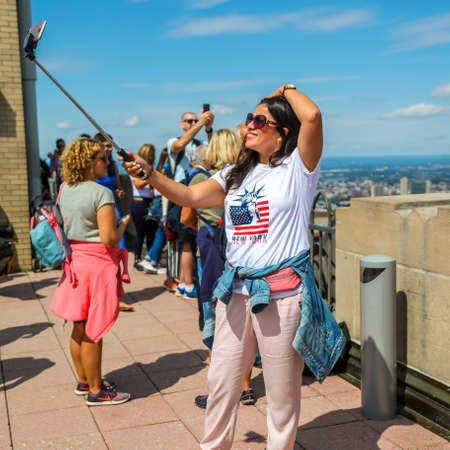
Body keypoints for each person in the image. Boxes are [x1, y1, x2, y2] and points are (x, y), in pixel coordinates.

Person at [122, 85, 346, 449]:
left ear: (282, 133)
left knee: (281, 395)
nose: (251, 125)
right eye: (249, 118)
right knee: (221, 383)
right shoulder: (234, 174)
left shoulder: (297, 169)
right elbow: (190, 196)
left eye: (262, 120)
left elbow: (313, 116)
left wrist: (285, 89)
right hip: (235, 294)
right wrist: (150, 174)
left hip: (282, 296)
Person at [50, 137, 131, 406]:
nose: (106, 162)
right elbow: (109, 238)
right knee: (94, 330)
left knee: (79, 324)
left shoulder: (65, 188)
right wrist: (123, 224)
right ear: (88, 162)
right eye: (101, 158)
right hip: (97, 265)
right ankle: (97, 391)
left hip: (75, 263)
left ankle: (84, 381)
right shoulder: (100, 193)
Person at [190, 129, 257, 409]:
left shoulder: (206, 181)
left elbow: (185, 212)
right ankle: (246, 386)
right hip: (240, 265)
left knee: (216, 327)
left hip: (213, 260)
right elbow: (245, 224)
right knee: (241, 327)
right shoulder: (246, 179)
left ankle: (219, 390)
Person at [167, 109, 214, 300]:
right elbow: (179, 145)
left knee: (191, 240)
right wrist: (200, 125)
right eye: (189, 121)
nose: (192, 123)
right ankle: (187, 284)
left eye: (194, 120)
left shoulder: (200, 143)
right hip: (180, 192)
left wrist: (209, 128)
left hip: (196, 192)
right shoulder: (172, 141)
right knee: (187, 241)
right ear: (181, 123)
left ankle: (185, 282)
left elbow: (212, 148)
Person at [130, 144, 158, 269]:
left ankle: (150, 259)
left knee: (151, 233)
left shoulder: (152, 168)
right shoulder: (135, 168)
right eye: (151, 153)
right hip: (139, 202)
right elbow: (138, 184)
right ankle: (137, 258)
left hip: (150, 202)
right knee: (140, 232)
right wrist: (151, 176)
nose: (153, 156)